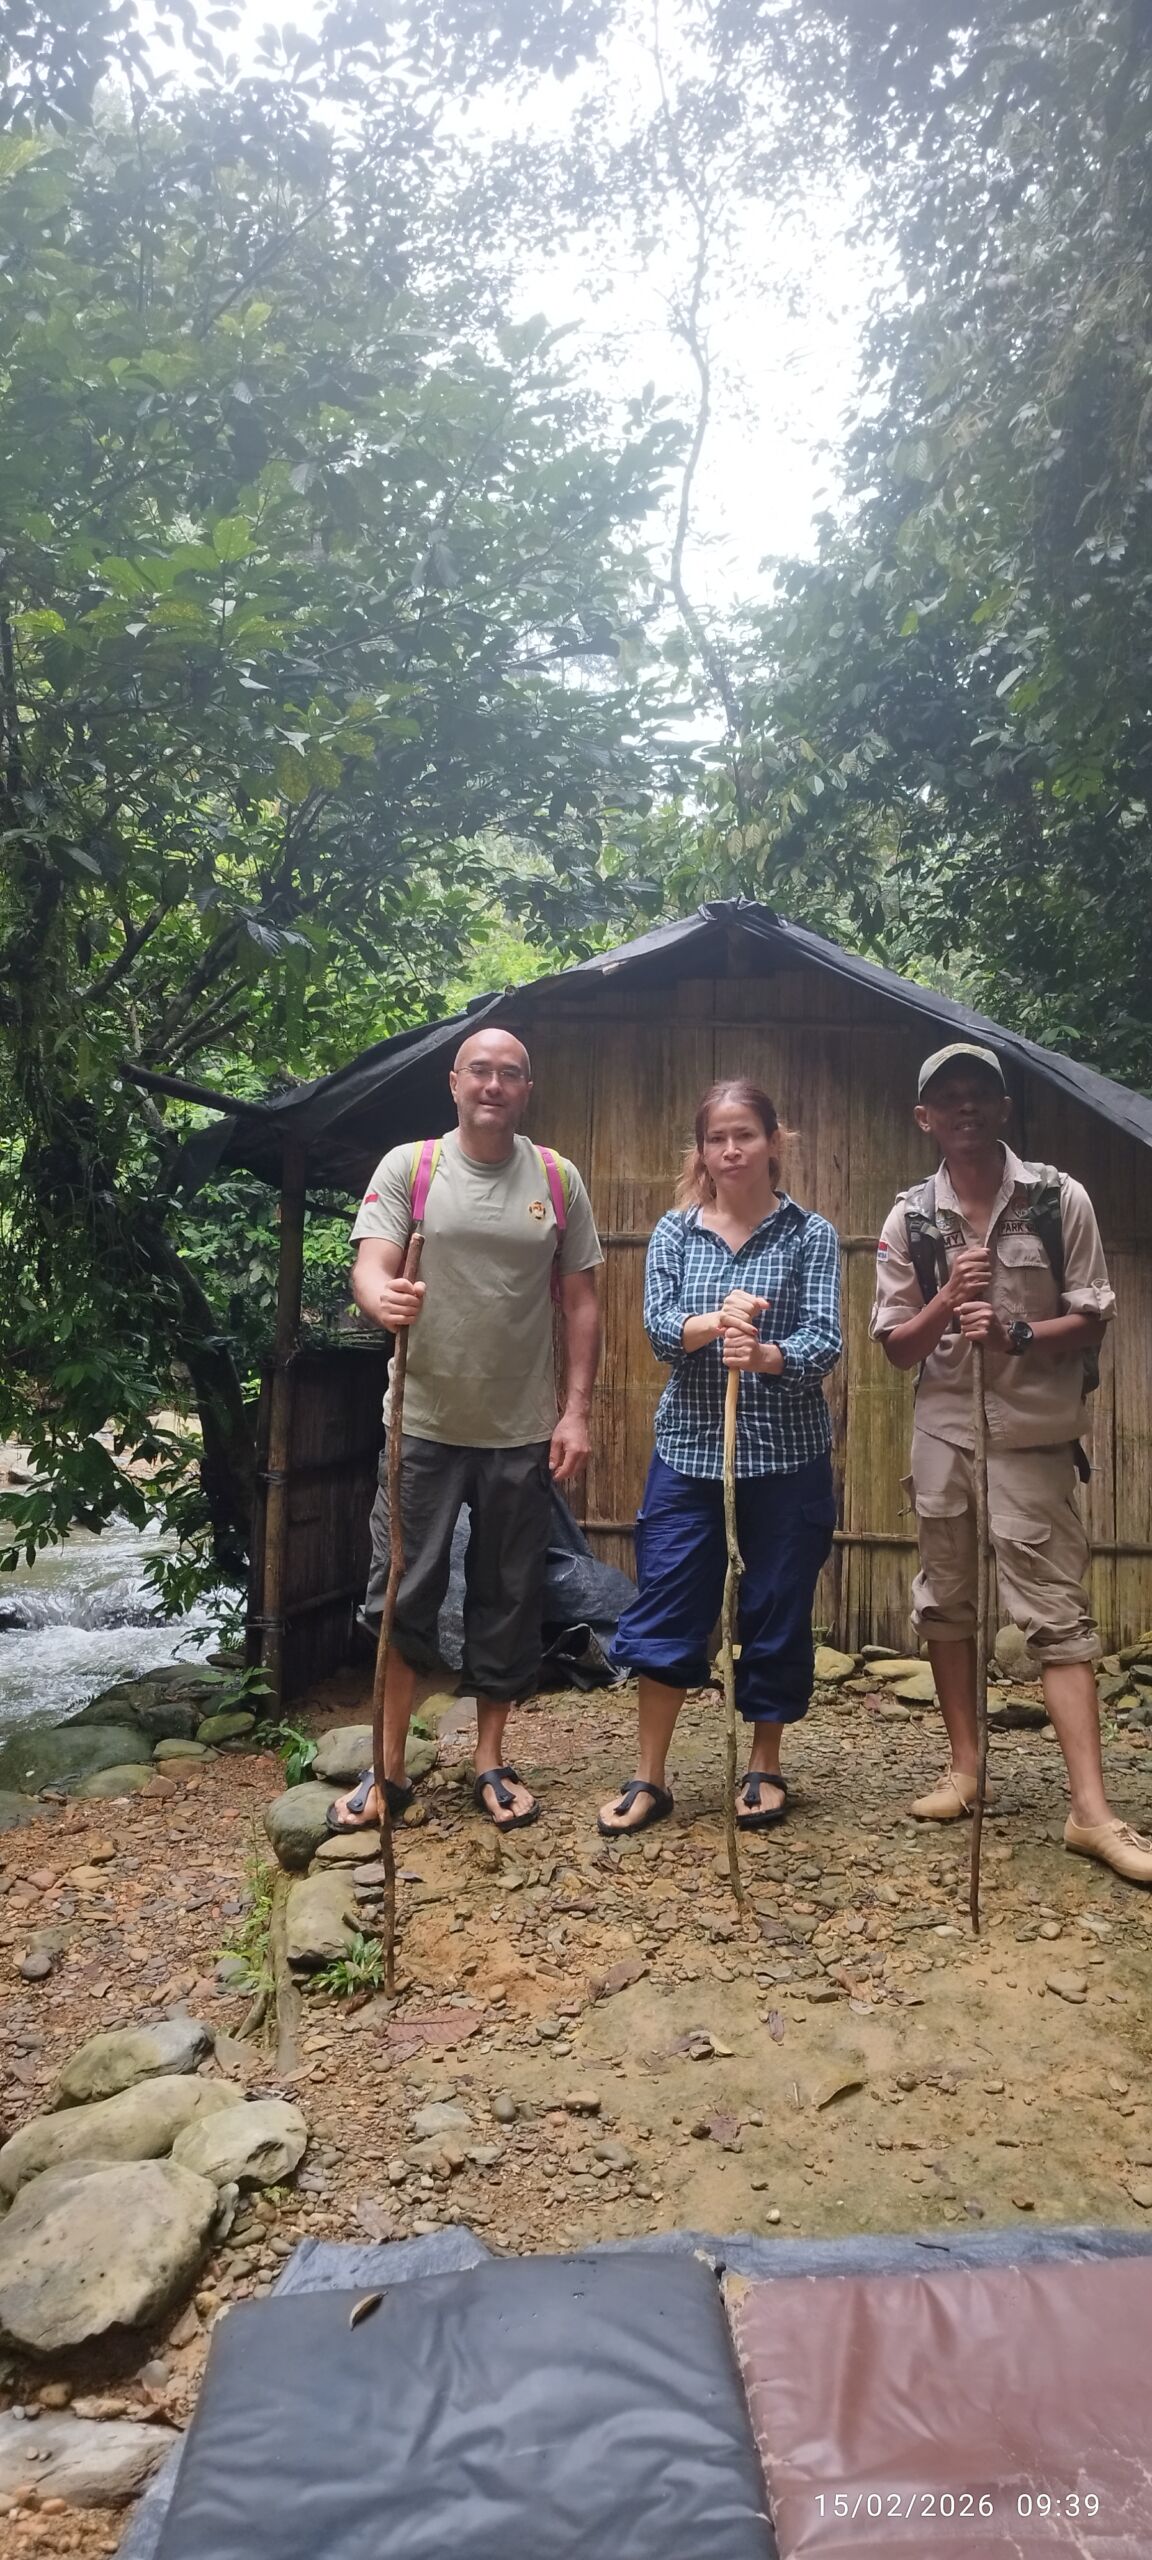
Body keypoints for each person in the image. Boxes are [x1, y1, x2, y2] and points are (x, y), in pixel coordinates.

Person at [872, 1039, 1152, 1884]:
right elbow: (894, 1345)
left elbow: (1093, 1315)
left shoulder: (1059, 1199)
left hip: (1032, 1437)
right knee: (947, 1605)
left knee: (1057, 1617)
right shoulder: (910, 1219)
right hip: (945, 1436)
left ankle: (1090, 1812)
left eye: (979, 1095)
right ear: (925, 1119)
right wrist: (951, 1302)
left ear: (1002, 1109)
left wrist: (1020, 1333)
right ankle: (967, 1770)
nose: (965, 1108)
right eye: (947, 1098)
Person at [328, 1027, 603, 1835]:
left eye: (509, 1074)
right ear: (454, 1083)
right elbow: (370, 1263)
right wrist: (382, 1299)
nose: (493, 1084)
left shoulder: (556, 1178)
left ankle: (490, 1758)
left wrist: (576, 1409)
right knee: (402, 1591)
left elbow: (583, 1300)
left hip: (519, 1428)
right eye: (479, 1071)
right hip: (420, 1423)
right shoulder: (411, 1169)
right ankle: (388, 1769)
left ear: (526, 1089)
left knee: (509, 1595)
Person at [599, 1080, 842, 1837]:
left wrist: (766, 1353)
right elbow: (664, 1333)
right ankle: (650, 1777)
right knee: (668, 1601)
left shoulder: (810, 1234)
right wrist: (718, 1319)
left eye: (745, 1134)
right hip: (690, 1454)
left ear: (774, 1141)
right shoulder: (675, 1233)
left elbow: (825, 1340)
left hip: (787, 1456)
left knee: (775, 1607)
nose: (731, 1150)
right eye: (716, 1138)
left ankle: (764, 1762)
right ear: (701, 1151)